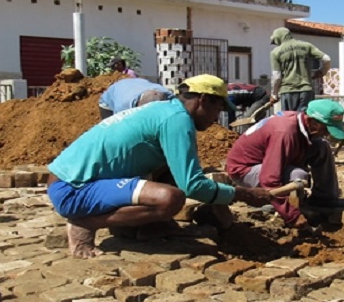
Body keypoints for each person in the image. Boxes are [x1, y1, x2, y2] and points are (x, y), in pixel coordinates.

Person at [47, 74, 272, 258]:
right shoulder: (176, 120)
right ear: (203, 100)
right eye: (218, 110)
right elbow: (192, 186)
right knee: (170, 199)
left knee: (173, 167)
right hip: (73, 190)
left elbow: (183, 172)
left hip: (74, 181)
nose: (216, 118)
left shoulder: (166, 110)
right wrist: (242, 194)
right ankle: (86, 222)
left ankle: (145, 226)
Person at [225, 98, 344, 231]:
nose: (327, 133)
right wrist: (292, 216)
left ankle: (324, 199)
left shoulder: (299, 122)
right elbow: (269, 180)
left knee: (321, 146)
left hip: (268, 160)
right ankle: (280, 204)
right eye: (326, 128)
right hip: (245, 170)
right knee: (298, 174)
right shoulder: (284, 132)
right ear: (311, 121)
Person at [269, 27, 332, 112]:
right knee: (304, 120)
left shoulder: (275, 52)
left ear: (278, 38)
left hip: (287, 91)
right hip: (306, 90)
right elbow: (326, 58)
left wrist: (274, 95)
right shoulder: (306, 46)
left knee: (289, 120)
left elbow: (277, 77)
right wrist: (322, 72)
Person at [98, 77, 173, 119]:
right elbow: (119, 124)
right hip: (108, 103)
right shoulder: (122, 106)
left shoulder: (165, 93)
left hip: (135, 85)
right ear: (138, 105)